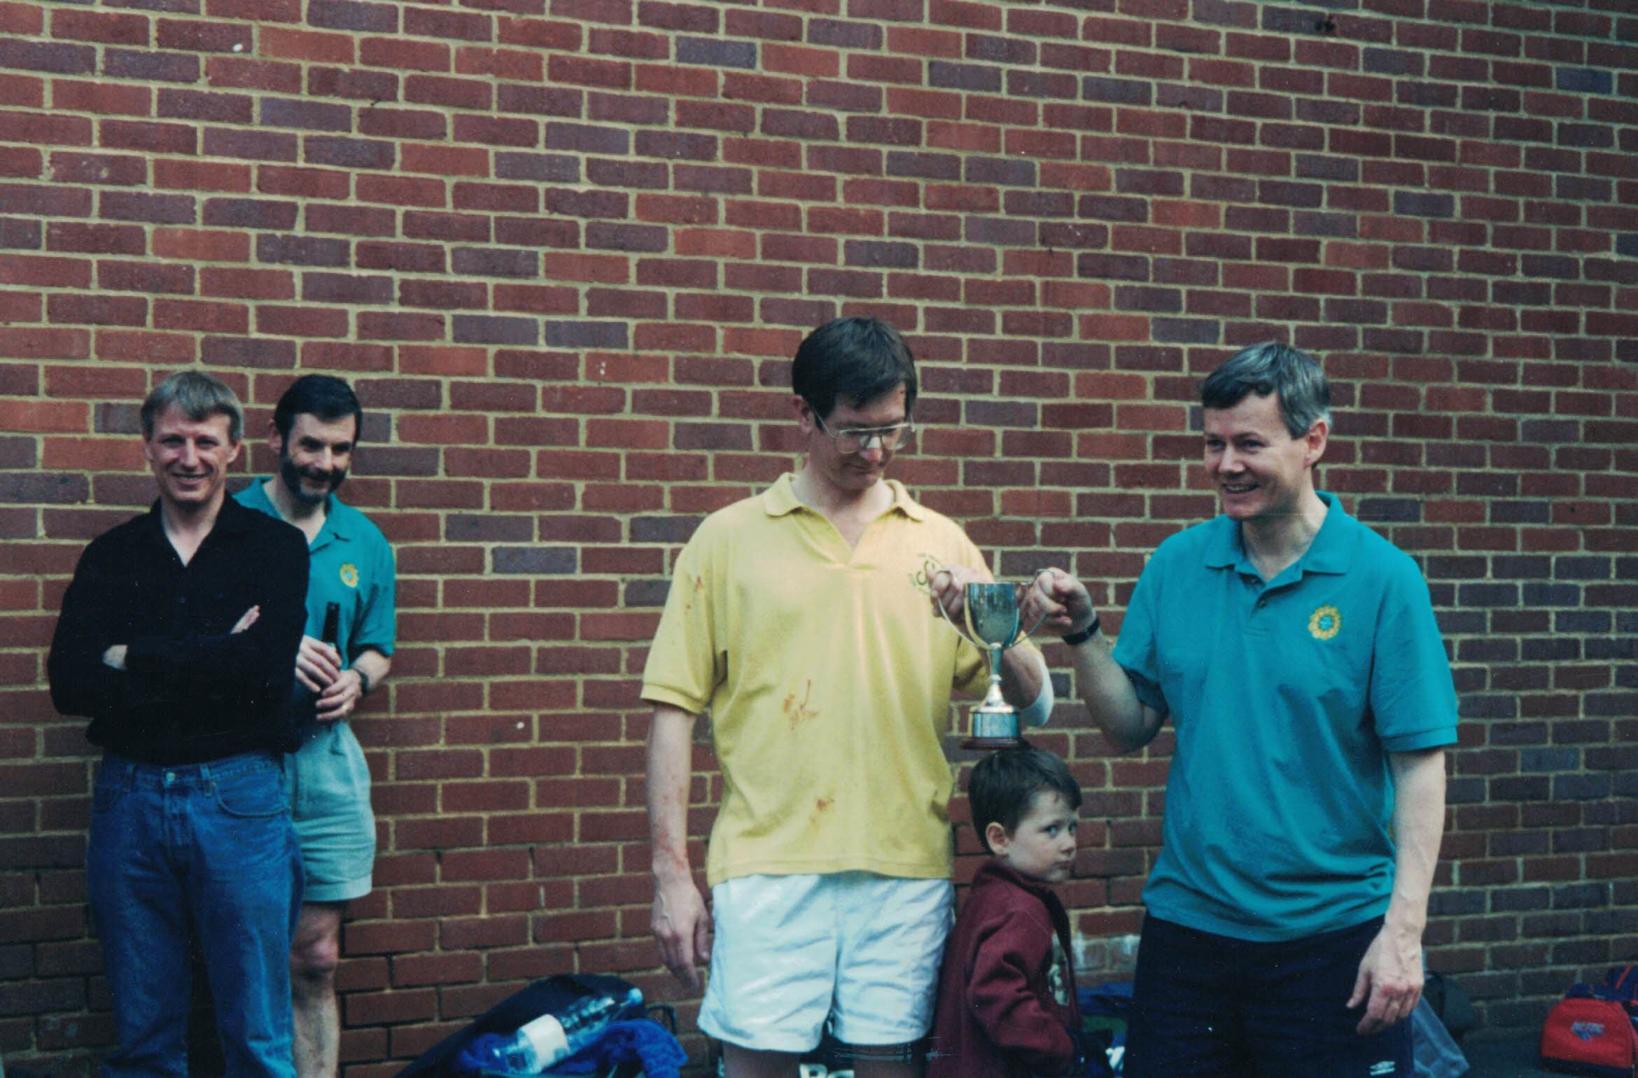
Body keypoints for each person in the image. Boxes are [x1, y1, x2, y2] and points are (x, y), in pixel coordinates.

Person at [1026, 341, 1458, 1077]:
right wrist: (1085, 635)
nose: (1225, 464)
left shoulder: (1384, 580)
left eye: (1249, 444)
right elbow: (1129, 726)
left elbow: (1419, 765)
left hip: (1333, 938)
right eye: (1213, 443)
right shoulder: (1177, 564)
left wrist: (1403, 932)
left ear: (1313, 440)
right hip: (1190, 933)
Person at [642, 316, 1052, 1077]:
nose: (877, 451)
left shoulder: (942, 541)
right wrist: (671, 875)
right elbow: (673, 711)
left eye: (894, 430)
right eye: (856, 432)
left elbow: (1032, 701)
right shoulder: (725, 540)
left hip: (905, 864)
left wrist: (993, 624)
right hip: (767, 863)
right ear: (804, 414)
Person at [48, 371, 309, 1076]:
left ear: (233, 449)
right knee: (144, 1035)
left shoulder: (273, 550)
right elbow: (69, 683)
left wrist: (131, 655)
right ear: (146, 448)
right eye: (172, 440)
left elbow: (262, 681)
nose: (187, 457)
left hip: (238, 798)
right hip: (129, 800)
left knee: (256, 1032)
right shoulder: (112, 556)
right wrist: (215, 654)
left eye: (204, 441)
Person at [235, 374, 396, 1078]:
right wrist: (266, 649)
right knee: (242, 957)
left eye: (340, 449)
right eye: (311, 445)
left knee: (316, 958)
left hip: (328, 763)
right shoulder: (227, 521)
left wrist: (358, 679)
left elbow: (379, 645)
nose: (324, 463)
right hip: (240, 762)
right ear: (277, 439)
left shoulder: (365, 539)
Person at [926, 745, 1083, 1078]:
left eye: (1072, 827)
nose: (1069, 843)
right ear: (1000, 839)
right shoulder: (1018, 910)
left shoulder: (994, 895)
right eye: (1051, 829)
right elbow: (995, 993)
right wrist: (1059, 1048)